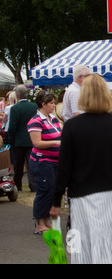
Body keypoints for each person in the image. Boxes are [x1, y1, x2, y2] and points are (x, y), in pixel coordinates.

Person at [49, 74, 112, 264]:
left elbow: (64, 166)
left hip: (81, 194)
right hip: (110, 192)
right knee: (103, 244)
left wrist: (56, 200)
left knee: (81, 244)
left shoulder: (72, 126)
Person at [27, 91, 62, 235]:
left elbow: (60, 132)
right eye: (52, 103)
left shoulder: (52, 119)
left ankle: (46, 218)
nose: (54, 105)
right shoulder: (35, 121)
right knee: (44, 190)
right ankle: (39, 222)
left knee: (53, 189)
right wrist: (55, 142)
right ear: (43, 104)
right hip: (42, 161)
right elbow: (37, 143)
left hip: (54, 161)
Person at [8, 85, 38, 192]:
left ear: (16, 96)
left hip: (19, 141)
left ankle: (18, 185)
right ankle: (33, 185)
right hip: (32, 139)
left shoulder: (15, 108)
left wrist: (11, 140)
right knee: (31, 164)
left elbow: (12, 127)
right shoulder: (34, 107)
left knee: (18, 165)